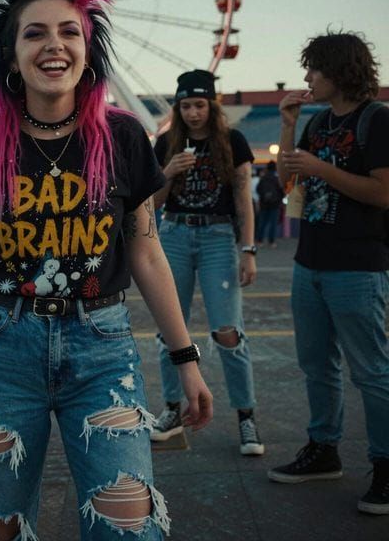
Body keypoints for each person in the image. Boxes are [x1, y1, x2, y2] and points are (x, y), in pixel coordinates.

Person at [0, 0, 213, 541]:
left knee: (126, 521)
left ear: (88, 47)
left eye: (69, 31)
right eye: (35, 32)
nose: (54, 45)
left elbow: (147, 254)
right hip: (2, 350)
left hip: (101, 348)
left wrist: (187, 361)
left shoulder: (124, 137)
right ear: (10, 52)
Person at [270, 32, 389, 515]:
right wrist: (287, 124)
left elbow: (382, 193)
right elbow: (288, 185)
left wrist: (322, 168)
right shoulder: (317, 120)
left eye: (314, 70)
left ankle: (384, 465)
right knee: (317, 365)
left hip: (358, 265)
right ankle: (324, 449)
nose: (307, 78)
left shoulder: (377, 120)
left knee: (372, 371)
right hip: (309, 261)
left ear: (339, 70)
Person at [147, 69, 261, 455]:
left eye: (199, 105)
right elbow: (150, 205)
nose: (193, 113)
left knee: (227, 330)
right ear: (178, 108)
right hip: (174, 235)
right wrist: (167, 173)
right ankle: (172, 408)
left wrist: (248, 250)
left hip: (217, 237)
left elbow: (244, 199)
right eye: (185, 106)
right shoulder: (165, 143)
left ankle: (246, 416)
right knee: (168, 330)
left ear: (212, 105)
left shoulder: (234, 141)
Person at [256, 160, 285, 246]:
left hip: (264, 204)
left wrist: (263, 198)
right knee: (273, 224)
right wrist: (279, 199)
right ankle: (271, 241)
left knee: (262, 223)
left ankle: (259, 240)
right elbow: (281, 191)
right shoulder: (277, 179)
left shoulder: (263, 178)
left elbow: (258, 190)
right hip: (275, 205)